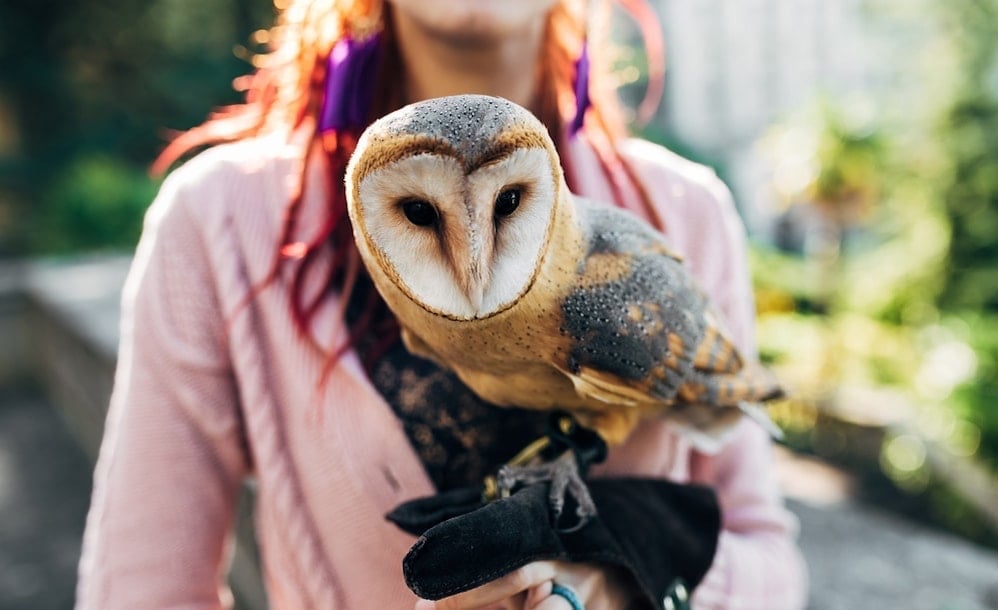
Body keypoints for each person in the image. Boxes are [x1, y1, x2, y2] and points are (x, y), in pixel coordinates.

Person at [75, 0, 809, 608]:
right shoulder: (218, 225)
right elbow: (139, 589)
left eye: (510, 206)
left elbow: (768, 561)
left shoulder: (679, 215)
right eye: (422, 218)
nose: (473, 263)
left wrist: (621, 575)